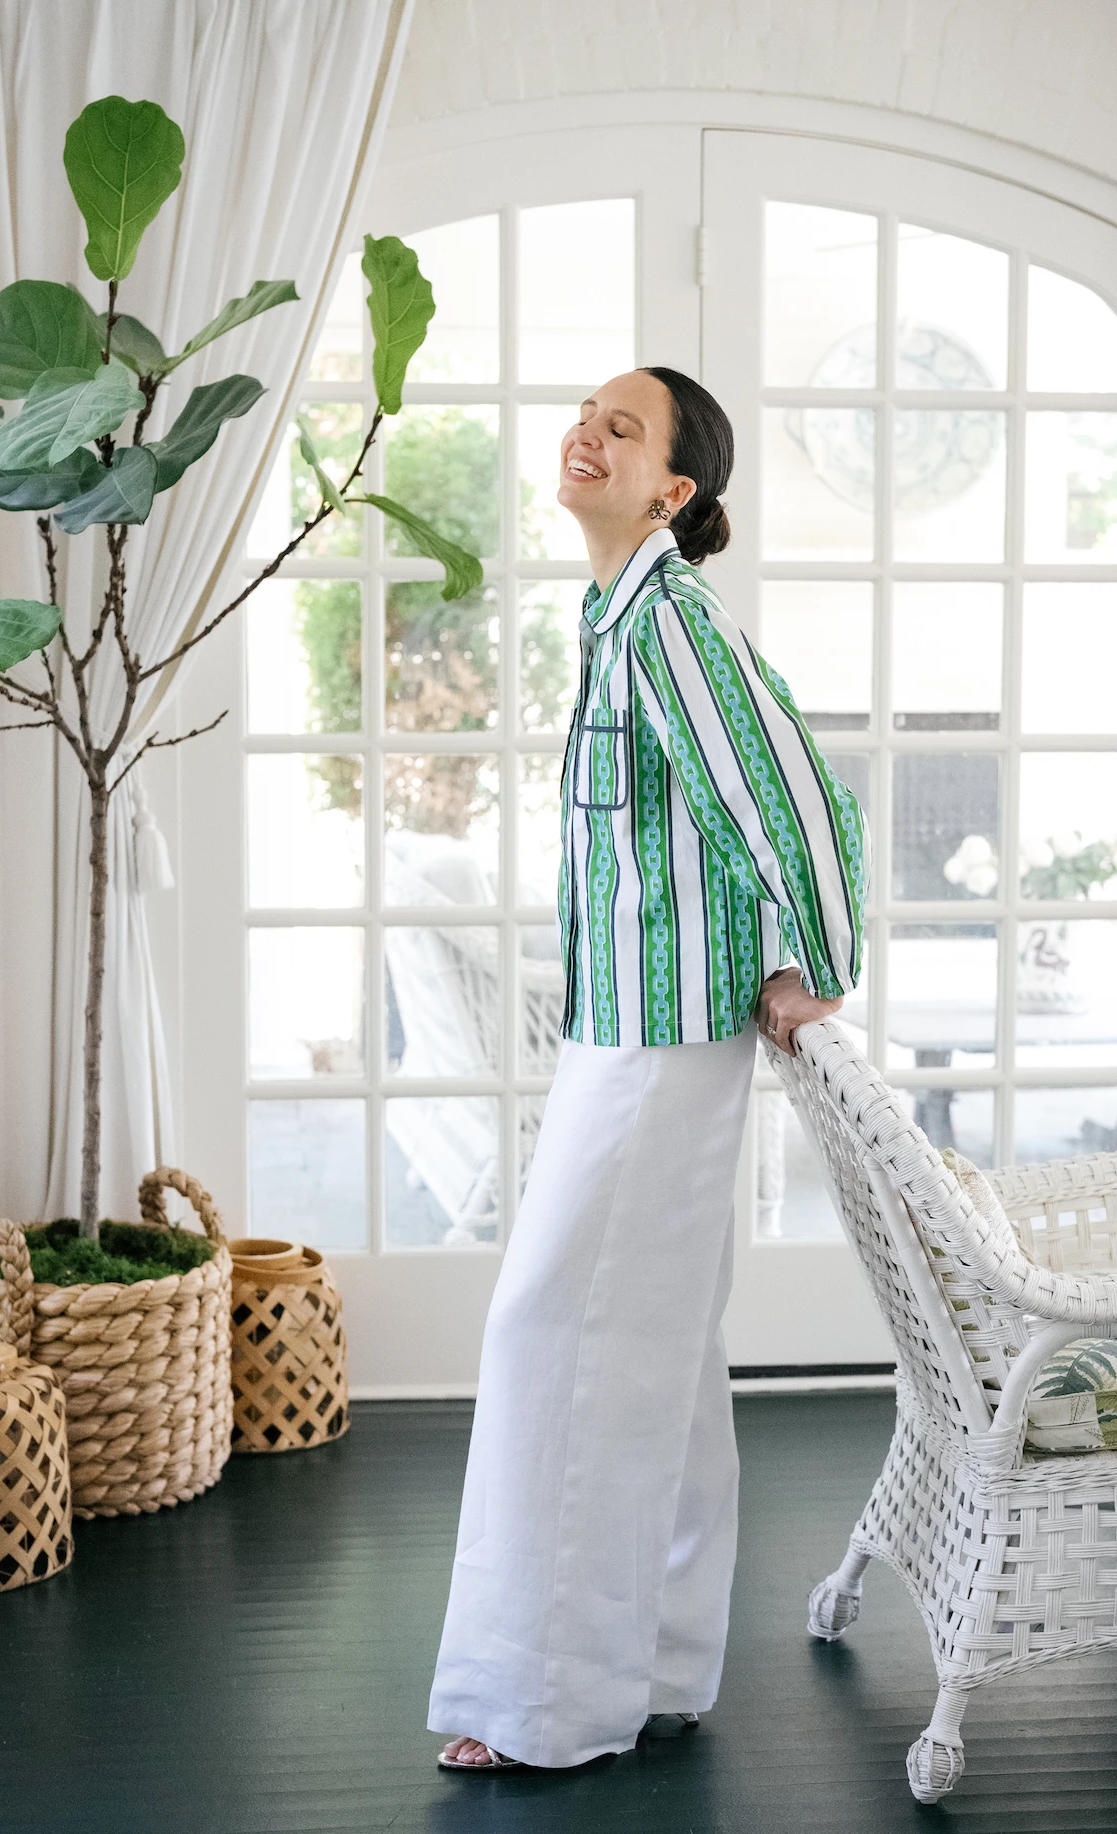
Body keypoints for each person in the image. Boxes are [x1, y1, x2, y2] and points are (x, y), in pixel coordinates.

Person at [429, 366, 869, 1772]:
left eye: (624, 429)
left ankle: (545, 1704)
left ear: (674, 491)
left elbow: (793, 791)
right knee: (657, 1356)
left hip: (660, 1043)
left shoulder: (670, 619)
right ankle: (663, 1663)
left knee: (554, 1336)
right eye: (586, 415)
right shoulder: (619, 614)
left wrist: (819, 961)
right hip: (627, 1026)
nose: (589, 435)